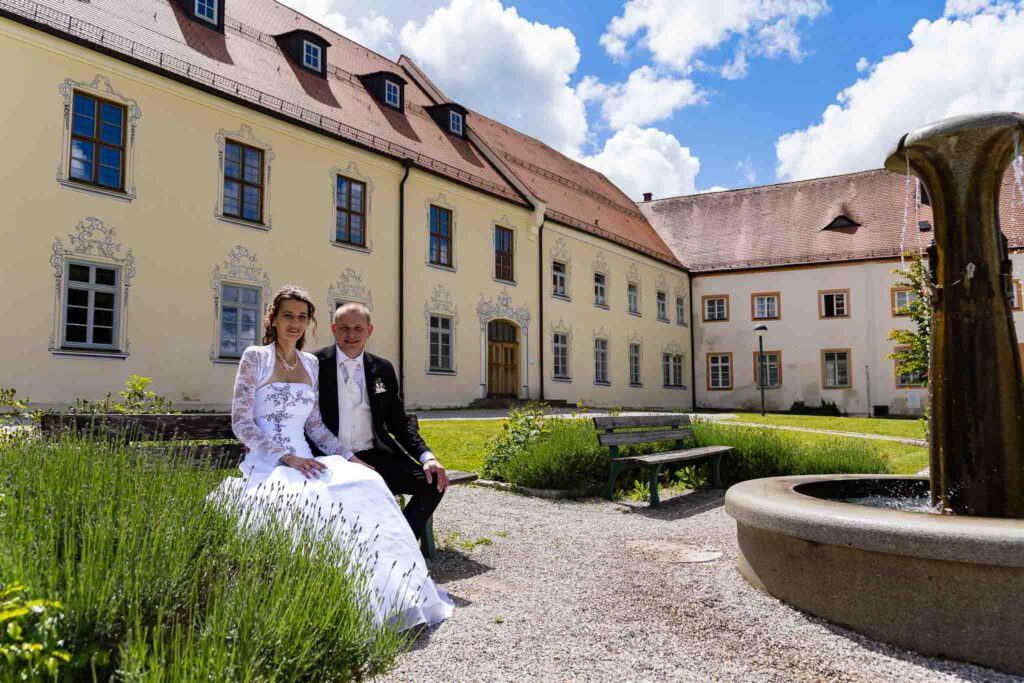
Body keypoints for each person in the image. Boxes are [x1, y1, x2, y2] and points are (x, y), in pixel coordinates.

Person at [212, 285, 452, 628]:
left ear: (309, 322)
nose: (295, 323)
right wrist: (286, 458)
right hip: (269, 462)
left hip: (310, 458)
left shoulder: (309, 363)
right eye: (287, 316)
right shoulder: (256, 357)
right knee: (310, 502)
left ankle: (387, 580)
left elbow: (316, 425)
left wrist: (348, 457)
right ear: (273, 319)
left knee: (365, 481)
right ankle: (312, 590)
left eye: (301, 317)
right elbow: (241, 421)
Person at [311, 302, 447, 541]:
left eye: (358, 328)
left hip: (374, 457)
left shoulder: (383, 368)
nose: (351, 334)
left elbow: (398, 421)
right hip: (330, 457)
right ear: (333, 329)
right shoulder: (314, 364)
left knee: (434, 480)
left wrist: (428, 457)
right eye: (344, 328)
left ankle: (397, 542)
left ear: (369, 330)